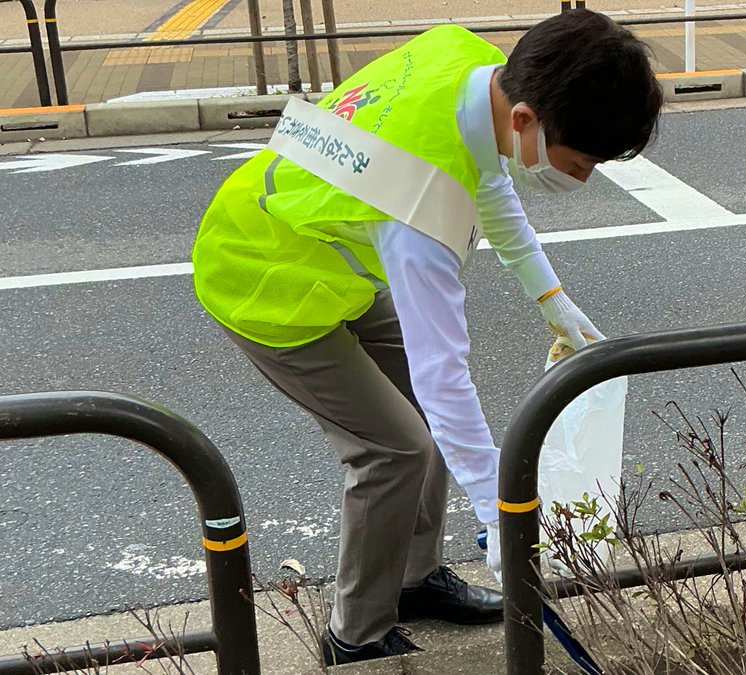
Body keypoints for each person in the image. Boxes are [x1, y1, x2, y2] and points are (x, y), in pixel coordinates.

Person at [190, 8, 663, 666]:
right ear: (525, 120)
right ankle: (355, 635)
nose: (583, 178)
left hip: (320, 240)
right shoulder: (419, 201)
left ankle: (410, 579)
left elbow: (492, 180)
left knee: (420, 416)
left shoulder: (470, 64)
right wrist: (498, 511)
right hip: (261, 281)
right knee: (396, 449)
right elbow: (445, 377)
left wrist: (550, 296)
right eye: (580, 161)